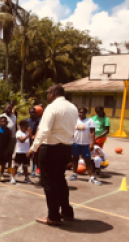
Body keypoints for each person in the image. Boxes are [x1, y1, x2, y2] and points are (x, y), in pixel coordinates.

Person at [26, 84, 78, 226]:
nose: (47, 95)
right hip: (66, 148)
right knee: (60, 180)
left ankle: (53, 216)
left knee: (49, 182)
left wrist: (33, 148)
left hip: (51, 148)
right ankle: (67, 211)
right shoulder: (73, 108)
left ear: (54, 93)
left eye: (48, 93)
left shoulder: (52, 107)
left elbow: (44, 131)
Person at [69, 107, 101, 185]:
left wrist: (92, 143)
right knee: (75, 159)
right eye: (79, 112)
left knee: (88, 161)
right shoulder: (74, 120)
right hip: (76, 143)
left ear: (86, 113)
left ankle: (92, 177)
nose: (81, 114)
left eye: (82, 112)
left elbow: (92, 132)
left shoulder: (90, 121)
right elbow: (70, 131)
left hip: (86, 144)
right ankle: (74, 174)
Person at [11, 120, 33, 185]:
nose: (28, 127)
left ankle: (26, 178)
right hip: (20, 152)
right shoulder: (18, 132)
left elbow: (30, 142)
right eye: (27, 125)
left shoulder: (27, 133)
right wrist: (28, 135)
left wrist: (30, 150)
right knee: (16, 165)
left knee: (25, 166)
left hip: (26, 152)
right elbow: (21, 140)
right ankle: (13, 177)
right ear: (22, 126)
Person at [0, 104, 17, 174]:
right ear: (5, 108)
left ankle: (9, 167)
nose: (9, 109)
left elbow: (15, 127)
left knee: (10, 153)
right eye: (7, 108)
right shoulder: (1, 116)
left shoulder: (14, 117)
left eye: (10, 108)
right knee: (1, 152)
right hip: (2, 137)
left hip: (12, 137)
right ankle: (0, 166)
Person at [0, 117, 12, 182]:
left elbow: (10, 141)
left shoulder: (9, 130)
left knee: (2, 163)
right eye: (2, 121)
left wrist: (7, 149)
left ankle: (1, 175)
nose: (3, 123)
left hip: (4, 148)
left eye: (5, 121)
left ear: (7, 123)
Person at [26, 107, 41, 177]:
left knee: (35, 156)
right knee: (26, 154)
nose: (32, 113)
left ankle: (33, 170)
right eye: (31, 112)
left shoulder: (38, 121)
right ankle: (24, 169)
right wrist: (28, 135)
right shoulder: (27, 120)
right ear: (29, 112)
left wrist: (34, 136)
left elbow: (38, 129)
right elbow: (25, 129)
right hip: (27, 139)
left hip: (35, 139)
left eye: (33, 112)